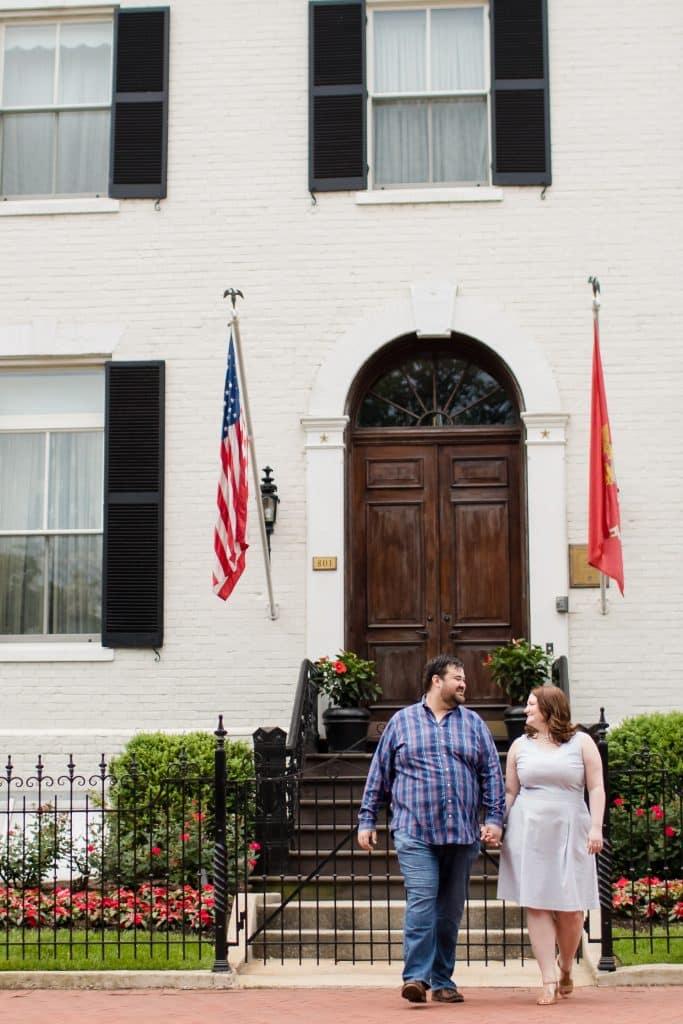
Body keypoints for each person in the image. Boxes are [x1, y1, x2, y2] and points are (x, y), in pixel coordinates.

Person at [357, 654, 505, 1004]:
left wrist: (494, 819)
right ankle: (416, 978)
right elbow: (379, 773)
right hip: (415, 829)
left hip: (461, 833)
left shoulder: (474, 724)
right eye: (457, 678)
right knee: (422, 902)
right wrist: (367, 818)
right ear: (436, 681)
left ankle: (442, 980)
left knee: (449, 912)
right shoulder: (401, 722)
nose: (464, 683)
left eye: (464, 678)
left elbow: (491, 774)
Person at [495, 685, 605, 1005]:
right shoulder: (520, 746)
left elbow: (596, 788)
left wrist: (596, 827)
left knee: (571, 909)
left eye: (532, 704)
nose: (526, 709)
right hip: (528, 830)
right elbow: (510, 792)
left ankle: (566, 965)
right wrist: (497, 824)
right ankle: (547, 978)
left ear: (549, 708)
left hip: (571, 827)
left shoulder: (581, 742)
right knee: (537, 904)